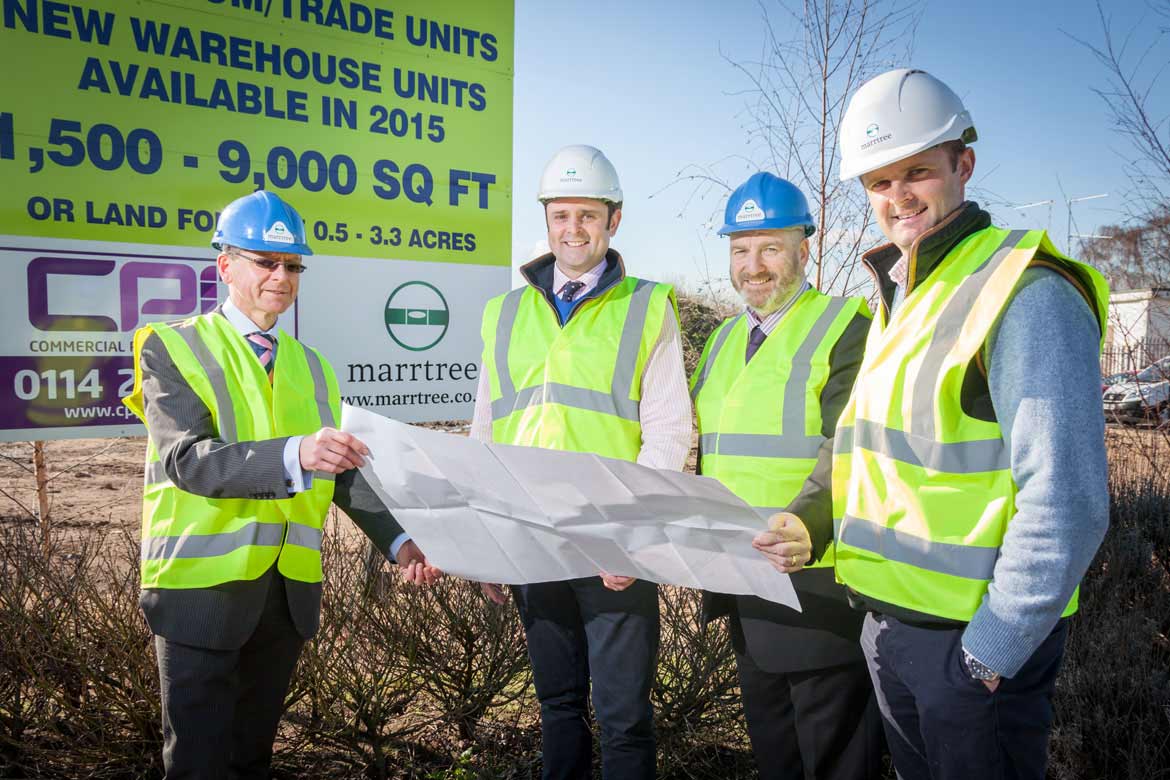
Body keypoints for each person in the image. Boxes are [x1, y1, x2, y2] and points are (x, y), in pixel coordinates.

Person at [832, 68, 1111, 779]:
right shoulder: (902, 299)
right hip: (893, 631)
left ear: (964, 164)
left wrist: (988, 653)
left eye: (917, 171)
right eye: (878, 182)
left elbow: (1068, 501)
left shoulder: (1024, 291)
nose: (898, 198)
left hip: (969, 649)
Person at [122, 190, 441, 779]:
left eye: (292, 266)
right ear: (225, 265)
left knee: (251, 761)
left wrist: (400, 542)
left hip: (285, 595)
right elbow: (189, 461)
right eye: (265, 262)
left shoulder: (312, 364)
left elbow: (339, 471)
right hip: (200, 591)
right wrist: (297, 451)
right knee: (197, 765)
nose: (281, 276)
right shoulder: (171, 347)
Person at [471, 144, 692, 779]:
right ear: (546, 220)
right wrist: (488, 539)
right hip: (532, 540)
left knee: (624, 718)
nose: (574, 229)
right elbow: (486, 432)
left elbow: (670, 432)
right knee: (557, 707)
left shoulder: (648, 306)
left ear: (613, 221)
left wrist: (631, 535)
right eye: (561, 215)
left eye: (588, 216)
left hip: (611, 546)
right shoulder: (503, 313)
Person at [692, 172, 882, 779]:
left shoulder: (846, 325)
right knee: (776, 757)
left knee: (833, 759)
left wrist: (808, 522)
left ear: (806, 246)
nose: (754, 265)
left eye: (770, 247)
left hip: (818, 585)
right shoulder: (722, 339)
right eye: (740, 249)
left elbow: (851, 445)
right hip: (743, 582)